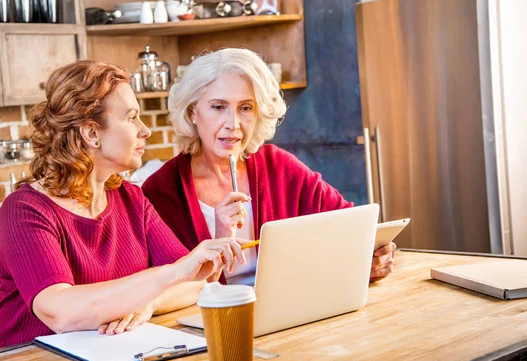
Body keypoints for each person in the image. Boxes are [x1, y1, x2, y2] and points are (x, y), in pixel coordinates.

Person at [0, 61, 245, 351]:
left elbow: (193, 284)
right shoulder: (26, 210)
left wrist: (149, 304)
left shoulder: (132, 199)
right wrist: (172, 274)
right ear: (91, 133)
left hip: (103, 358)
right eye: (132, 117)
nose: (144, 130)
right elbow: (60, 312)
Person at [142, 48, 395, 285]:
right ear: (192, 113)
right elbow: (163, 291)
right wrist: (219, 241)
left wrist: (370, 256)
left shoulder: (279, 166)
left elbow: (351, 224)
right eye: (218, 107)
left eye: (245, 108)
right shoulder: (160, 192)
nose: (233, 123)